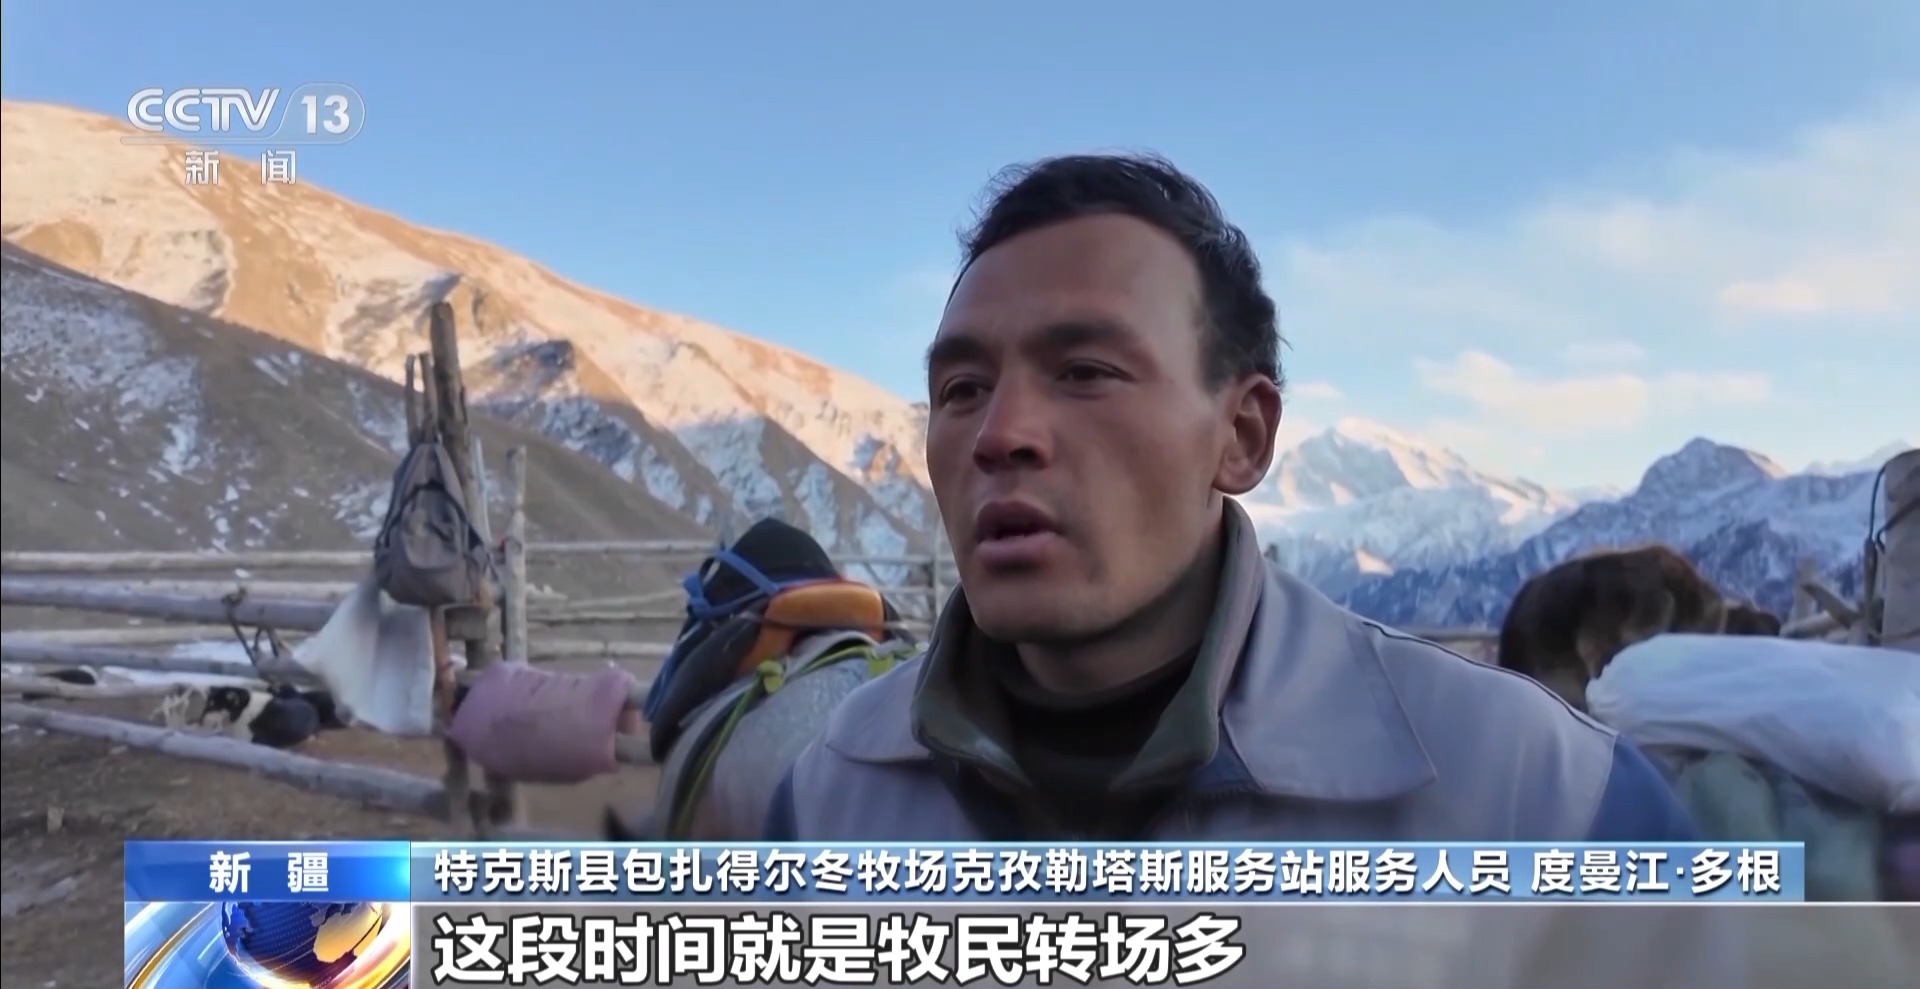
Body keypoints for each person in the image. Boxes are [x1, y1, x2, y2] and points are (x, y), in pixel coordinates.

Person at [763, 152, 1700, 846]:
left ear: (1243, 435)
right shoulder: (828, 803)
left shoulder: (1541, 797)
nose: (1000, 433)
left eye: (1085, 371)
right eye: (962, 388)